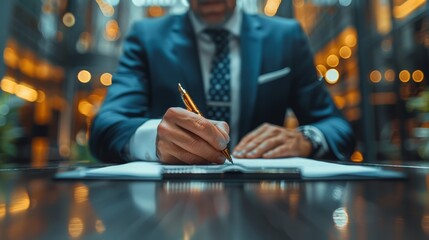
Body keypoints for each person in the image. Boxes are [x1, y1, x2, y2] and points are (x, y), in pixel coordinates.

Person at [89, 0, 356, 164]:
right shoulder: (147, 37)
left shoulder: (286, 37)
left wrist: (306, 139)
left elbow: (338, 127)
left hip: (268, 208)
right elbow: (105, 127)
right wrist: (154, 139)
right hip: (171, 209)